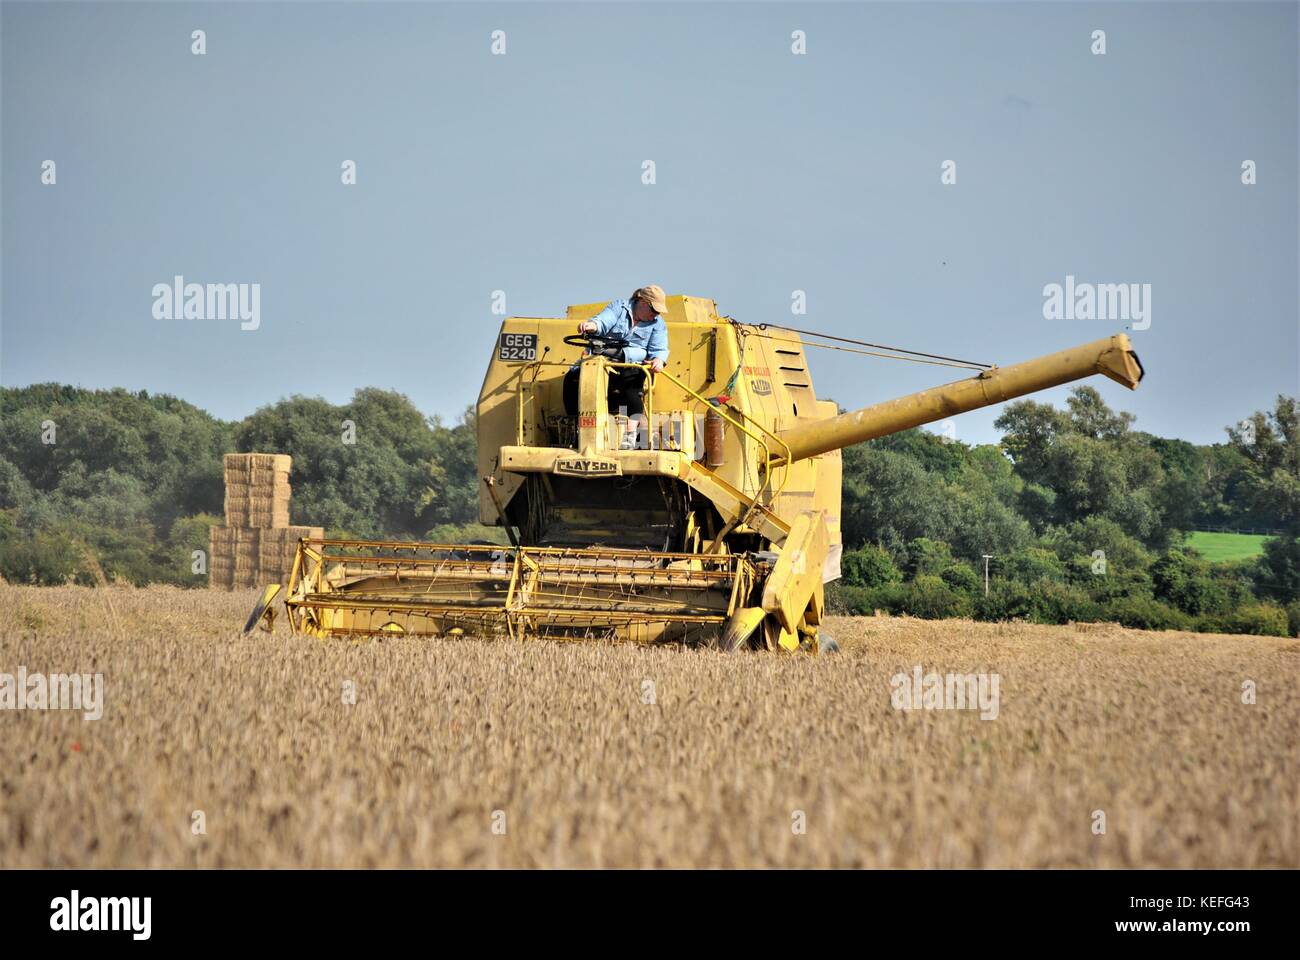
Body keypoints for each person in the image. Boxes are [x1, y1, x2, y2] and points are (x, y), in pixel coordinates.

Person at [563, 285, 670, 450]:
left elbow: (660, 350)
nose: (656, 314)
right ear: (642, 301)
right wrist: (591, 325)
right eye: (654, 310)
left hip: (631, 365)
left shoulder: (658, 324)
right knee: (572, 379)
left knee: (633, 387)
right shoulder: (619, 308)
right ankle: (576, 429)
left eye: (658, 312)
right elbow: (602, 321)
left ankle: (630, 435)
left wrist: (659, 361)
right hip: (603, 362)